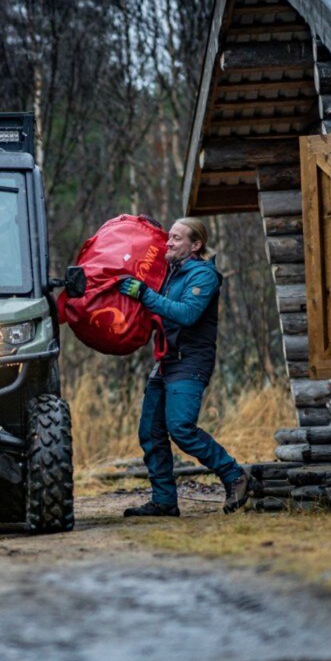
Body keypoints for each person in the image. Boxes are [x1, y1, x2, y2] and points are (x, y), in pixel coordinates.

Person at [117, 216, 253, 516]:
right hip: (166, 361)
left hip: (190, 362)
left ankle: (234, 475)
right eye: (169, 237)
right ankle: (164, 501)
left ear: (196, 245)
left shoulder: (203, 276)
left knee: (180, 427)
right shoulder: (169, 273)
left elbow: (187, 314)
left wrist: (144, 294)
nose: (169, 242)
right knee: (150, 432)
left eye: (177, 238)